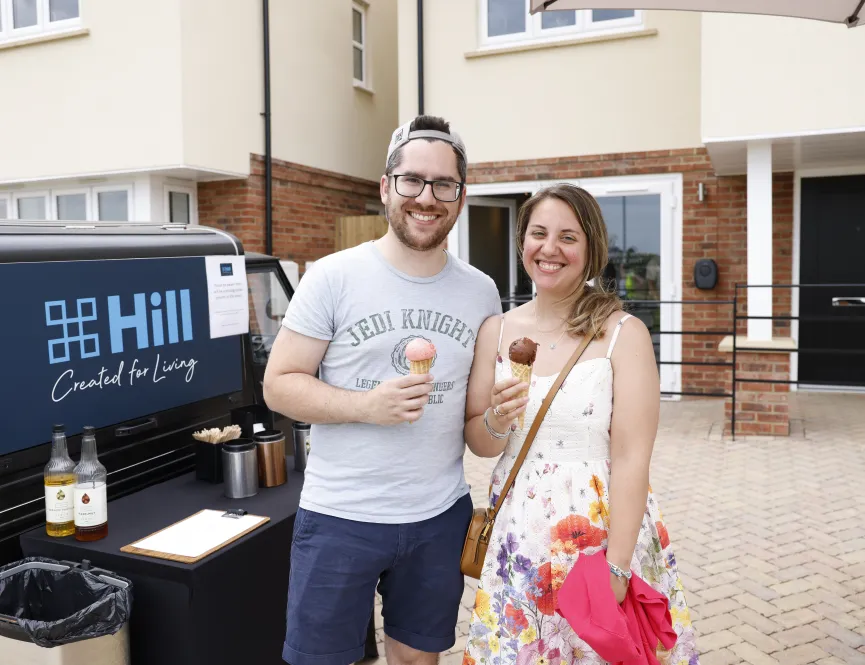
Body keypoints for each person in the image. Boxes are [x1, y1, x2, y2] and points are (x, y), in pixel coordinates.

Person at [263, 115, 502, 665]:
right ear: (385, 187)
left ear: (461, 197)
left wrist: (501, 417)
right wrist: (365, 406)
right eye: (412, 180)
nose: (427, 197)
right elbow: (279, 384)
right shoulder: (332, 276)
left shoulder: (481, 292)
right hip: (340, 516)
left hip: (439, 516)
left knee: (418, 659)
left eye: (444, 184)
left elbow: (478, 421)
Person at [461, 184, 699, 663]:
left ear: (591, 250)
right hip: (519, 534)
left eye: (567, 237)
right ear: (523, 242)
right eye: (538, 233)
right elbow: (481, 443)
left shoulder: (623, 334)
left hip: (598, 533)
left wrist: (618, 568)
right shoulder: (496, 331)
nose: (549, 248)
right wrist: (497, 417)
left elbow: (632, 458)